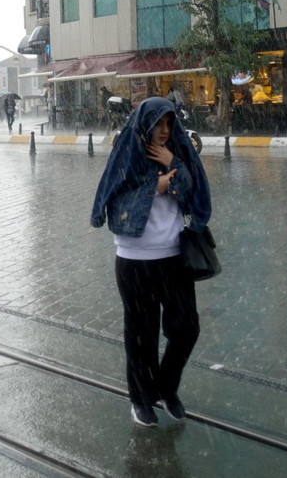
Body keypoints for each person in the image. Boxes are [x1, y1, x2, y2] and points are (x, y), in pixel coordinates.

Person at [90, 96, 211, 428]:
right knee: (142, 335)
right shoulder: (127, 153)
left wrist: (176, 164)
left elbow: (198, 196)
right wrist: (153, 187)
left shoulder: (177, 152)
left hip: (174, 257)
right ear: (144, 123)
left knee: (187, 328)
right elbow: (110, 202)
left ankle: (166, 388)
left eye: (169, 123)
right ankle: (141, 399)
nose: (163, 129)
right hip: (134, 259)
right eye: (158, 123)